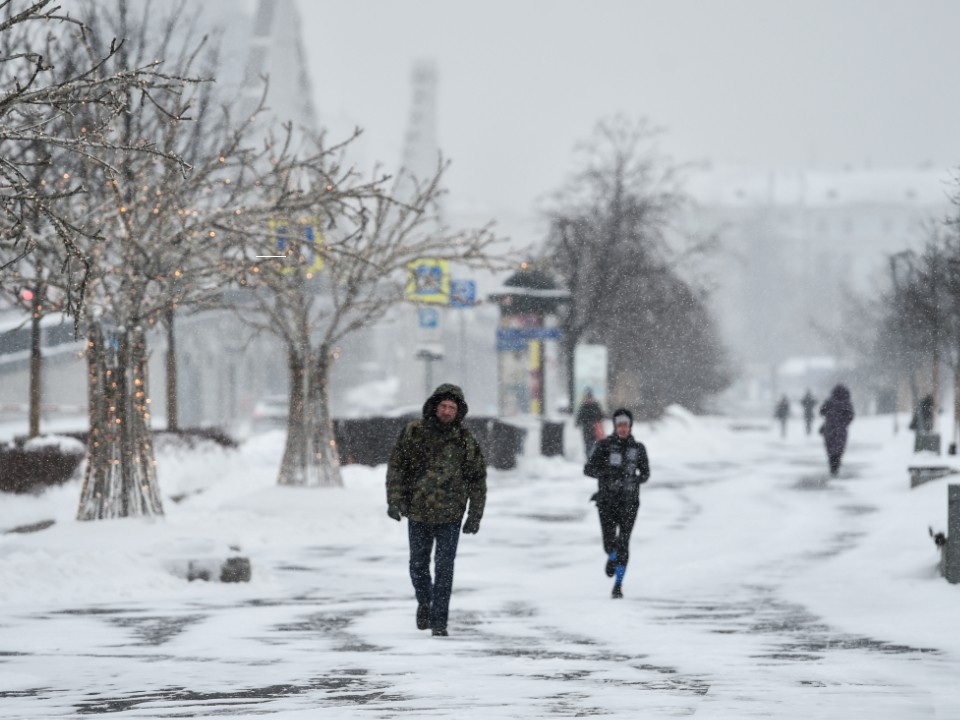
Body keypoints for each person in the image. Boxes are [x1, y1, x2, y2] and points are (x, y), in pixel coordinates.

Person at [385, 383, 486, 637]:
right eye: (443, 406)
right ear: (434, 406)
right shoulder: (414, 432)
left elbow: (477, 479)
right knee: (418, 565)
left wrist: (475, 515)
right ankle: (425, 601)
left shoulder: (465, 440)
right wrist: (394, 500)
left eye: (452, 408)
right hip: (418, 511)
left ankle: (439, 621)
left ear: (458, 411)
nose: (447, 411)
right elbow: (397, 467)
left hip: (450, 515)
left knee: (444, 567)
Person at [583, 408, 649, 599]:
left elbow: (645, 474)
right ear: (614, 426)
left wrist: (634, 480)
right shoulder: (604, 446)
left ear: (630, 427)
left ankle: (618, 586)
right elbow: (588, 469)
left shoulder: (638, 449)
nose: (623, 429)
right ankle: (611, 557)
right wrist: (605, 474)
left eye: (626, 425)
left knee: (624, 543)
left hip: (629, 502)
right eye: (619, 425)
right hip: (607, 501)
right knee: (609, 543)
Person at [819, 384, 854, 477]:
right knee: (839, 449)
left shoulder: (830, 401)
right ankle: (836, 466)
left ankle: (832, 467)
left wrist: (830, 417)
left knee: (830, 449)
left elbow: (821, 411)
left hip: (829, 429)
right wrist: (844, 423)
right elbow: (851, 416)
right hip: (841, 430)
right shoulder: (847, 403)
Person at [575, 389, 605, 458]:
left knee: (595, 444)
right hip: (586, 430)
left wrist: (598, 422)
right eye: (587, 397)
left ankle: (593, 458)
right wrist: (578, 423)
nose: (588, 399)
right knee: (587, 445)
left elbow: (601, 415)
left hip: (595, 430)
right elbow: (579, 417)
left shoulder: (595, 406)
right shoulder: (583, 407)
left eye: (589, 397)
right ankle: (589, 458)